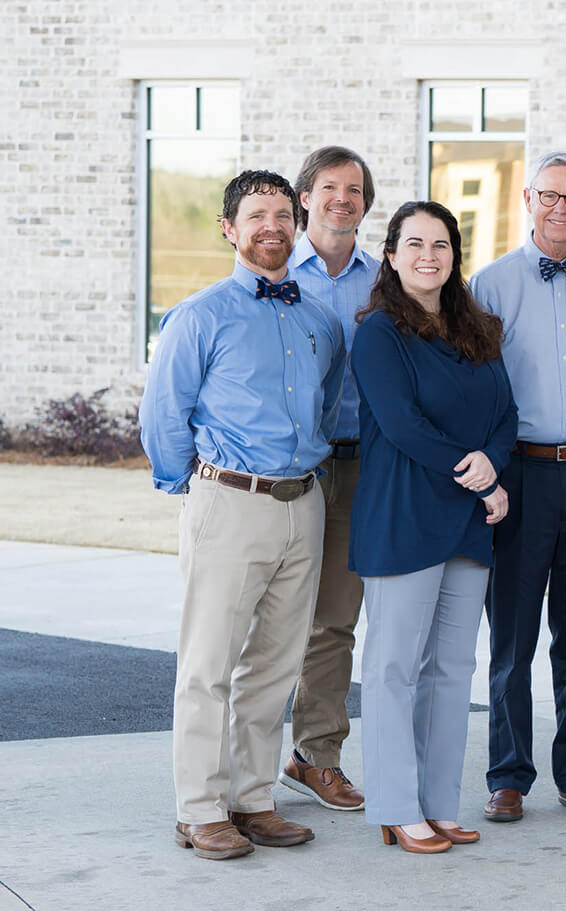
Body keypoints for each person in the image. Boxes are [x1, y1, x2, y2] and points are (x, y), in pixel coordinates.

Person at [139, 169, 344, 860]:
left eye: (283, 214)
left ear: (299, 222)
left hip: (303, 503)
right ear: (230, 228)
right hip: (229, 500)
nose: (272, 226)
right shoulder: (198, 316)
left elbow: (328, 401)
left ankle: (253, 797)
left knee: (276, 664)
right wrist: (194, 490)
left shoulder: (319, 318)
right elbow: (165, 416)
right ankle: (199, 808)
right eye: (256, 214)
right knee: (209, 663)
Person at [349, 201, 517, 854]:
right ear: (390, 255)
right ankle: (395, 805)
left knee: (452, 668)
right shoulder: (379, 334)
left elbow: (507, 414)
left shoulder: (479, 328)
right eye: (414, 243)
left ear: (454, 255)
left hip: (467, 522)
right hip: (404, 516)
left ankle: (438, 803)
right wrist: (476, 473)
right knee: (394, 668)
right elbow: (401, 423)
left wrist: (492, 463)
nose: (428, 255)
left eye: (441, 243)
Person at [470, 151, 566, 823]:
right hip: (520, 476)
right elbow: (475, 389)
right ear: (528, 198)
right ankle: (508, 773)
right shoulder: (490, 285)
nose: (562, 207)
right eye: (551, 195)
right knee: (512, 634)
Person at [281, 145, 380, 813]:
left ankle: (315, 755)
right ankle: (239, 766)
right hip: (290, 466)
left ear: (365, 203)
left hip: (362, 464)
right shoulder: (275, 272)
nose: (341, 197)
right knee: (269, 619)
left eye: (353, 189)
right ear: (305, 198)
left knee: (334, 622)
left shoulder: (386, 279)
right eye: (328, 187)